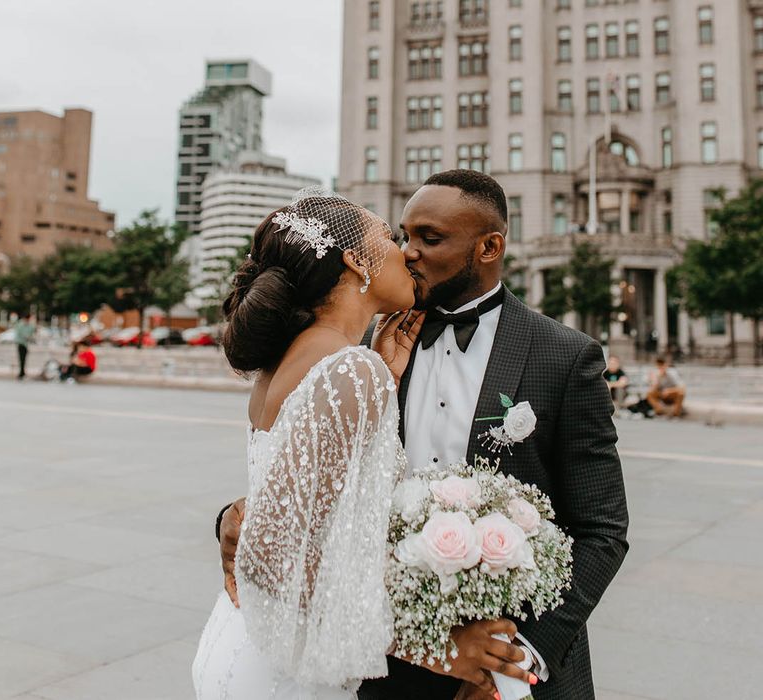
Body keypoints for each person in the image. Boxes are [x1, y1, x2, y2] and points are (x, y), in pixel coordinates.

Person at [218, 172, 629, 700]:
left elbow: (602, 528)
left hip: (510, 667)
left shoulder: (564, 356)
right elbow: (302, 490)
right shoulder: (359, 352)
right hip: (378, 671)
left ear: (489, 246)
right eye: (402, 236)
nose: (409, 252)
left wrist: (514, 660)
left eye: (429, 239)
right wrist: (236, 519)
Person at [192, 188, 531, 700]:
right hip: (290, 671)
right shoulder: (350, 368)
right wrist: (433, 647)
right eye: (391, 239)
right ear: (357, 261)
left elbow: (309, 508)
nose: (406, 253)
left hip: (244, 642)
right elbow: (272, 558)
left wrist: (381, 382)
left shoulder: (297, 360)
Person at [13, 313, 35, 380]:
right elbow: (21, 333)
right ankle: (21, 373)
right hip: (20, 343)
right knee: (22, 359)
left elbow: (32, 331)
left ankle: (22, 372)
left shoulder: (30, 325)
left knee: (24, 359)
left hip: (25, 344)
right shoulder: (20, 324)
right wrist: (27, 337)